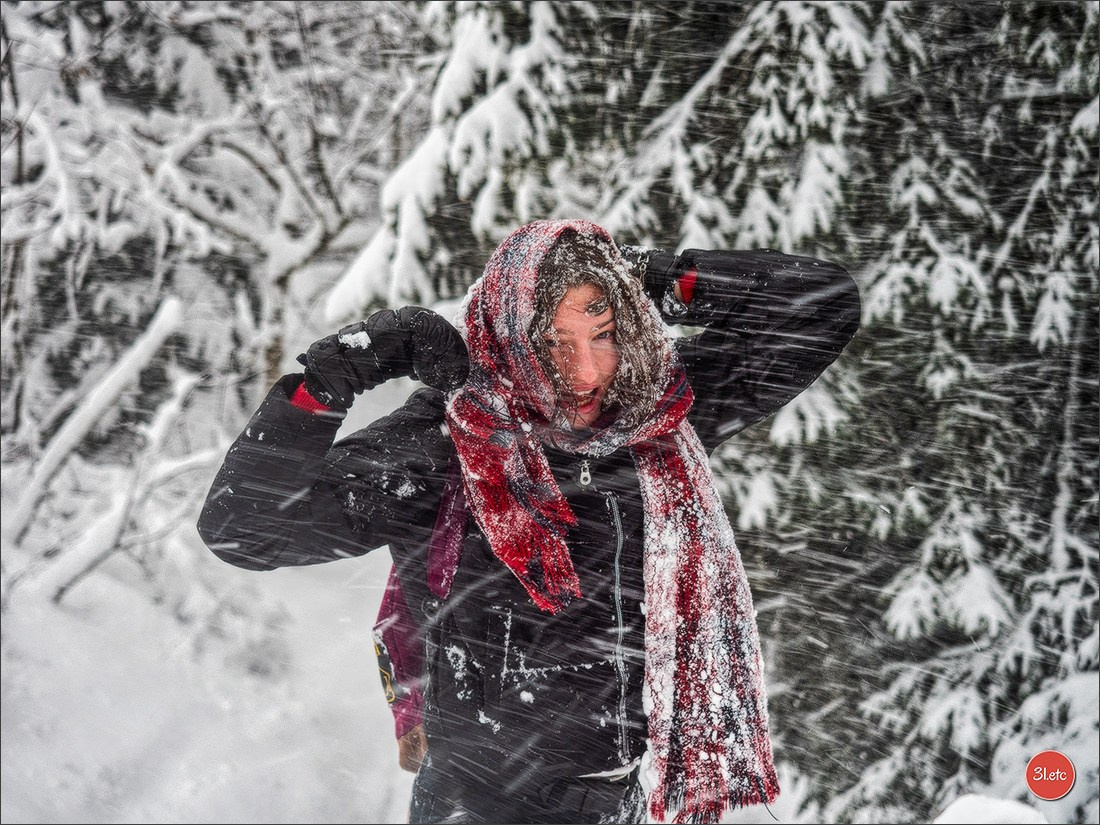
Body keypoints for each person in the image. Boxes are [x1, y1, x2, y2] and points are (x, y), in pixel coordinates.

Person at [197, 218, 861, 824]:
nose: (587, 371)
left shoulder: (648, 419)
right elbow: (243, 529)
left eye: (604, 333)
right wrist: (336, 372)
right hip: (481, 804)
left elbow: (822, 306)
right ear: (510, 333)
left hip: (617, 799)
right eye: (554, 342)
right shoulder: (447, 442)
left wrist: (654, 277)